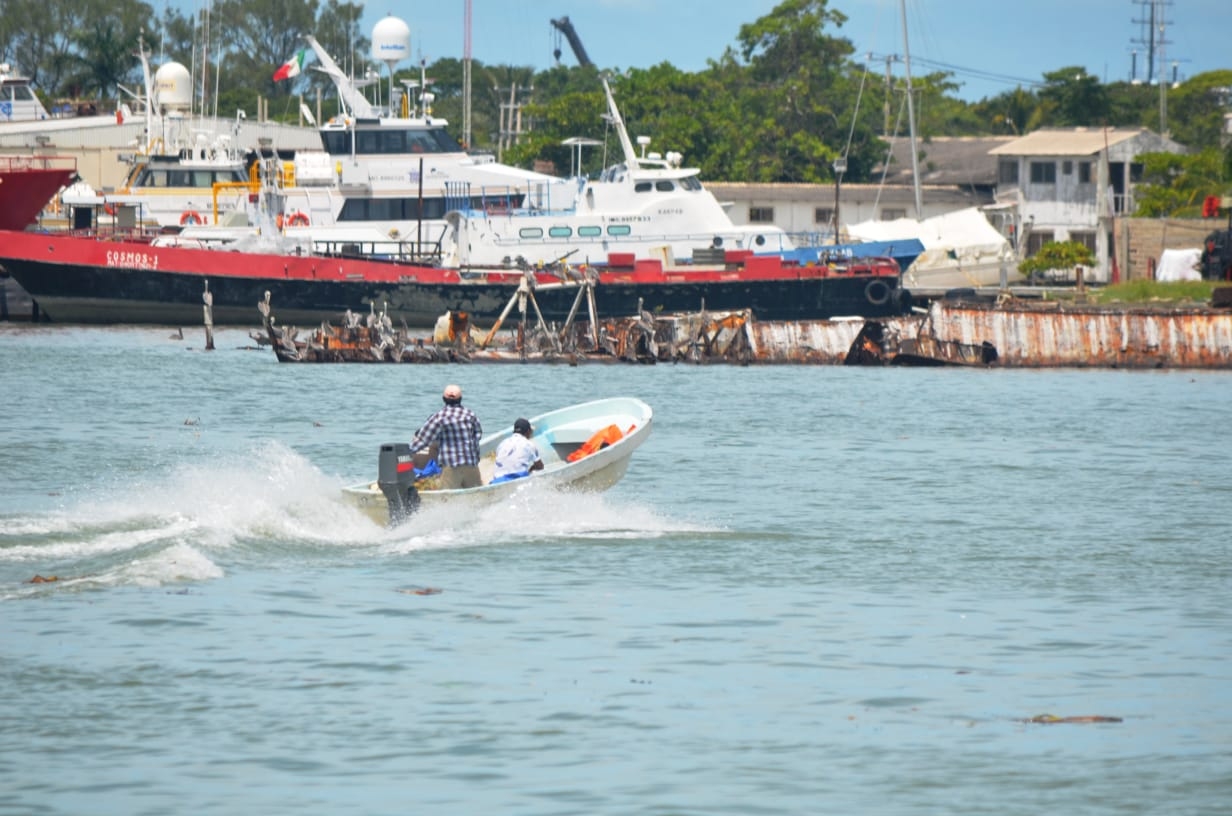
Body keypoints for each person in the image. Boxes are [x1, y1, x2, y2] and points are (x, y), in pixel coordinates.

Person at [407, 384, 483, 489]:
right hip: (471, 464)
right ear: (460, 399)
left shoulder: (439, 416)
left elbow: (423, 440)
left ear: (444, 399)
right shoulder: (470, 415)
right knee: (476, 494)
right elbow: (478, 435)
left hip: (451, 465)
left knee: (447, 498)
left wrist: (405, 452)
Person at [490, 418, 544, 484]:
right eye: (531, 432)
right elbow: (540, 467)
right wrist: (531, 470)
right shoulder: (529, 444)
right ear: (528, 432)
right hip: (516, 479)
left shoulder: (502, 443)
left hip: (497, 481)